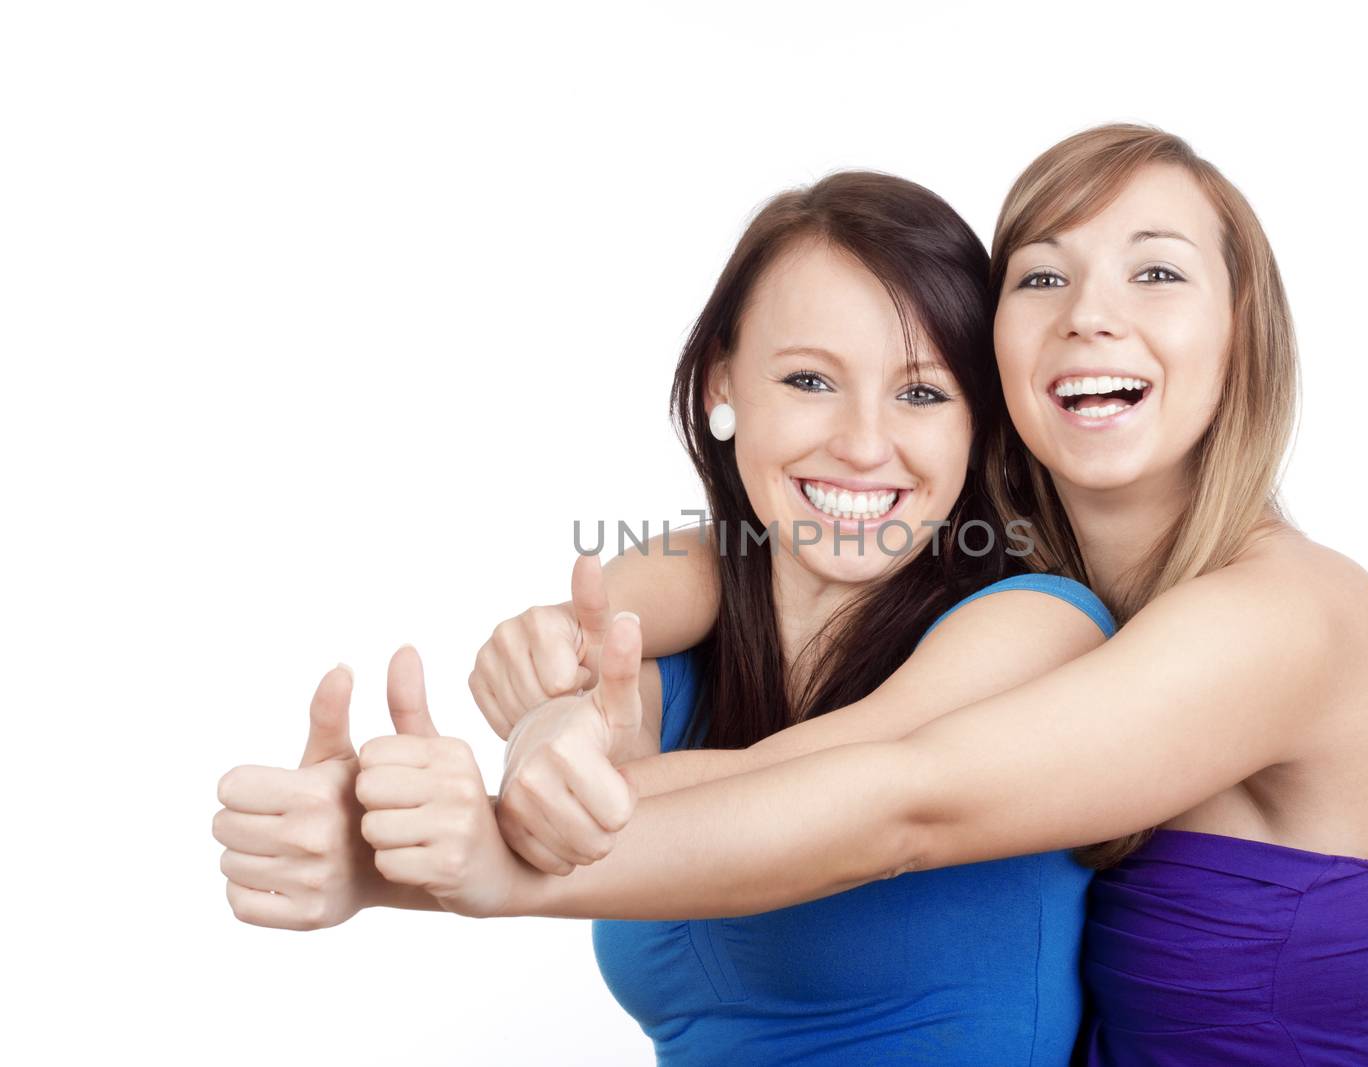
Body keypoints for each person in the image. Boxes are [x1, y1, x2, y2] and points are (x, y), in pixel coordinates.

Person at [446, 125, 1368, 1065]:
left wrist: (493, 840)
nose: (1088, 312)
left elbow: (901, 799)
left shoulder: (1289, 613)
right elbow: (748, 548)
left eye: (1157, 270)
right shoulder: (1032, 581)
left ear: (1242, 338)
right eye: (1043, 275)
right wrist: (570, 664)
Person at [215, 171, 1117, 1064]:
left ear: (979, 423)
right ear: (724, 381)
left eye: (923, 393)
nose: (864, 442)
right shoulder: (672, 657)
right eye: (809, 379)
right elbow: (590, 758)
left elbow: (812, 794)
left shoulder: (1044, 634)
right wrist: (443, 789)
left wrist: (437, 849)